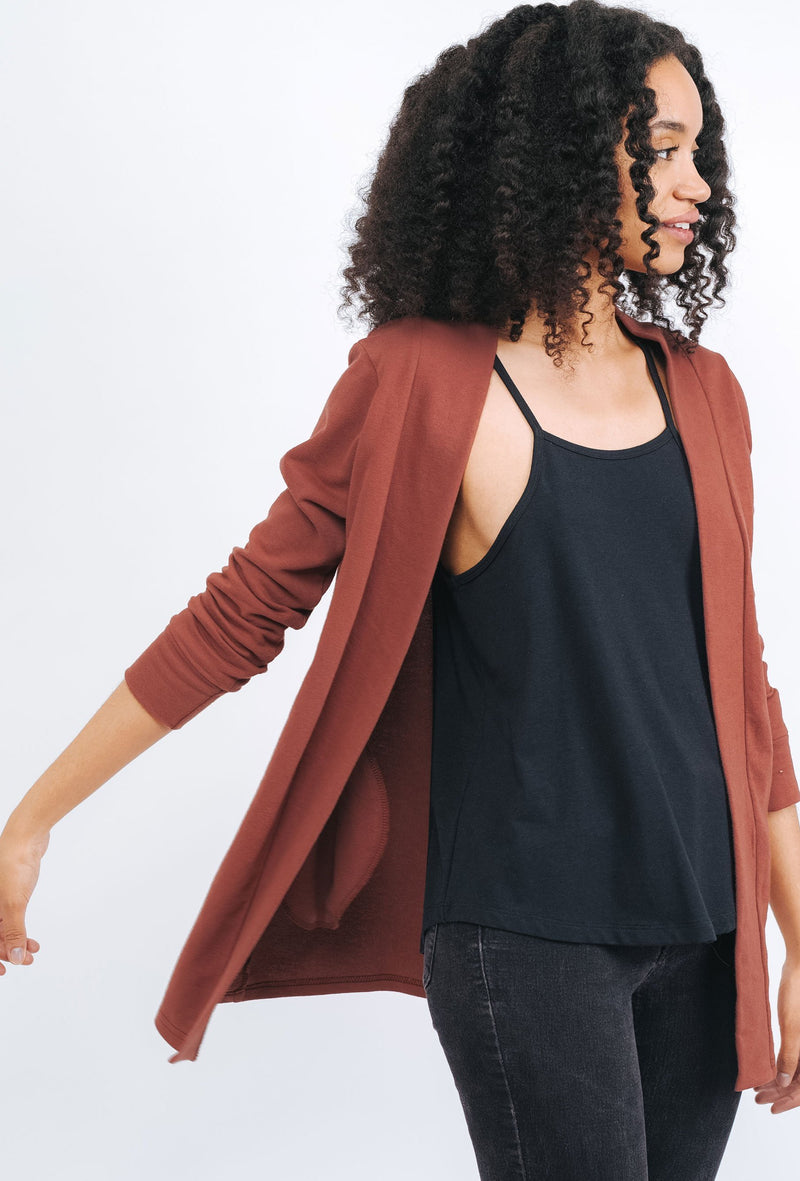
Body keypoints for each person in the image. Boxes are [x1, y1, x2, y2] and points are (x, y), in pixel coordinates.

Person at [2, 2, 799, 1177]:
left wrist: (793, 927)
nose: (696, 185)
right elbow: (243, 610)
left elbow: (738, 679)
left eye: (698, 150)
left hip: (703, 928)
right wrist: (31, 817)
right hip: (525, 935)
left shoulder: (706, 390)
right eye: (663, 148)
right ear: (562, 153)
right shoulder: (418, 382)